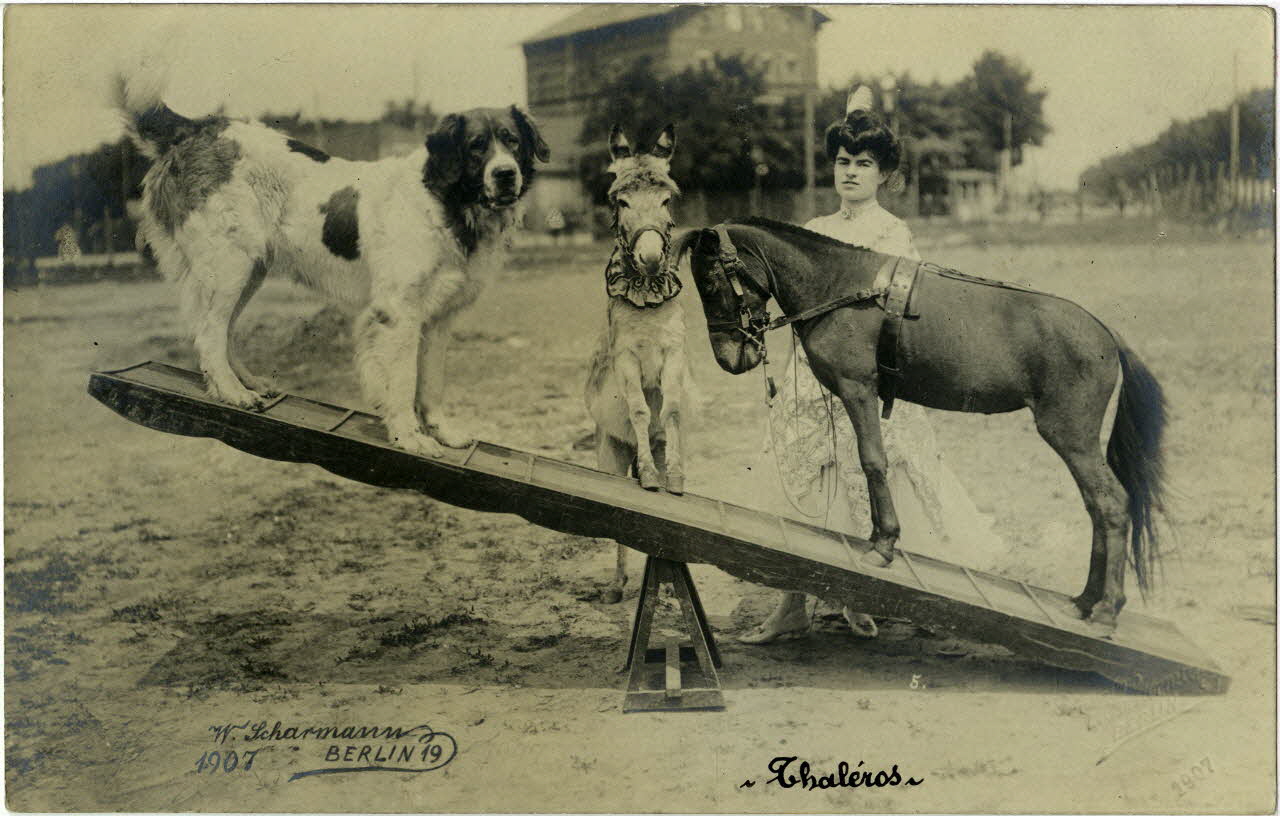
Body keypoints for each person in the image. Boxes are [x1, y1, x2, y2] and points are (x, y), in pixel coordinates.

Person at [739, 89, 1000, 644]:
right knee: (810, 482)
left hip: (871, 376)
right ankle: (792, 606)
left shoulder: (891, 234)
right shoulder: (814, 228)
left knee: (872, 473)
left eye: (864, 164)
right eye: (842, 162)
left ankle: (858, 598)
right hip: (811, 380)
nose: (851, 173)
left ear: (884, 175)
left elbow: (901, 315)